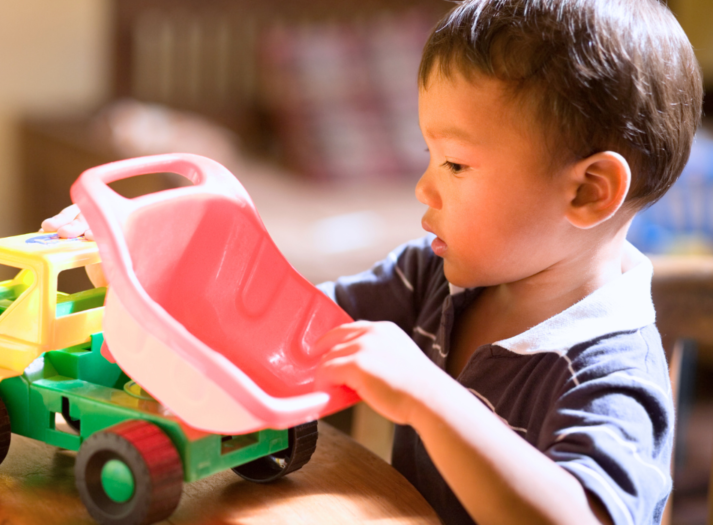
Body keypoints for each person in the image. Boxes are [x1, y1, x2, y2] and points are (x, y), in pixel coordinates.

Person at [42, 0, 702, 523]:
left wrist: (429, 394)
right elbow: (272, 327)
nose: (425, 187)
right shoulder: (434, 277)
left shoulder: (614, 376)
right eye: (426, 156)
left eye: (455, 163)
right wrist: (127, 248)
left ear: (587, 191)